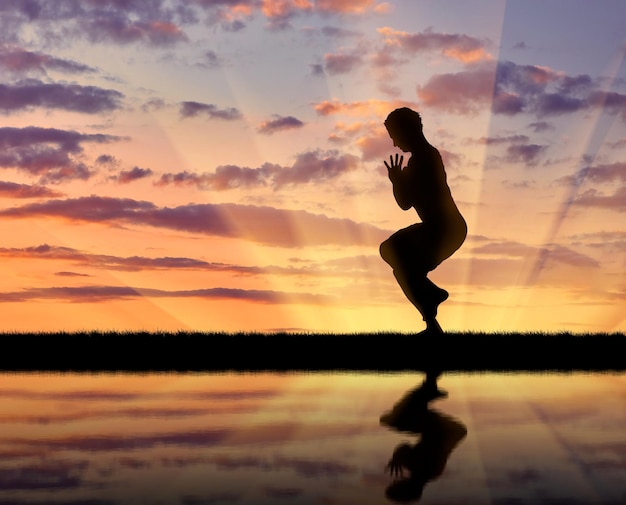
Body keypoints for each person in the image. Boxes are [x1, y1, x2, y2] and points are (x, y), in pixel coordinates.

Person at [380, 107, 466, 333]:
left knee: (394, 253)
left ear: (408, 131)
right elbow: (405, 203)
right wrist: (397, 180)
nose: (395, 144)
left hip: (445, 230)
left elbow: (407, 201)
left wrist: (401, 180)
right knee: (399, 261)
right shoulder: (417, 162)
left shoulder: (427, 158)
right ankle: (432, 321)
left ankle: (433, 300)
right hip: (437, 229)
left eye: (395, 137)